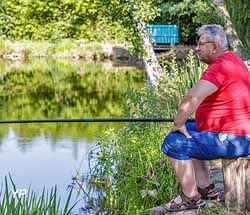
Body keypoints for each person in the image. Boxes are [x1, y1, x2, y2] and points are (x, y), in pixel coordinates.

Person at [161, 24, 250, 212]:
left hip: (234, 140)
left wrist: (178, 123)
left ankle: (190, 198)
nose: (197, 48)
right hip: (239, 135)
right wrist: (185, 123)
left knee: (172, 142)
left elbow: (192, 97)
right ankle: (206, 189)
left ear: (215, 46)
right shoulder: (233, 60)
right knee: (191, 130)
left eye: (201, 44)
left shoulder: (220, 66)